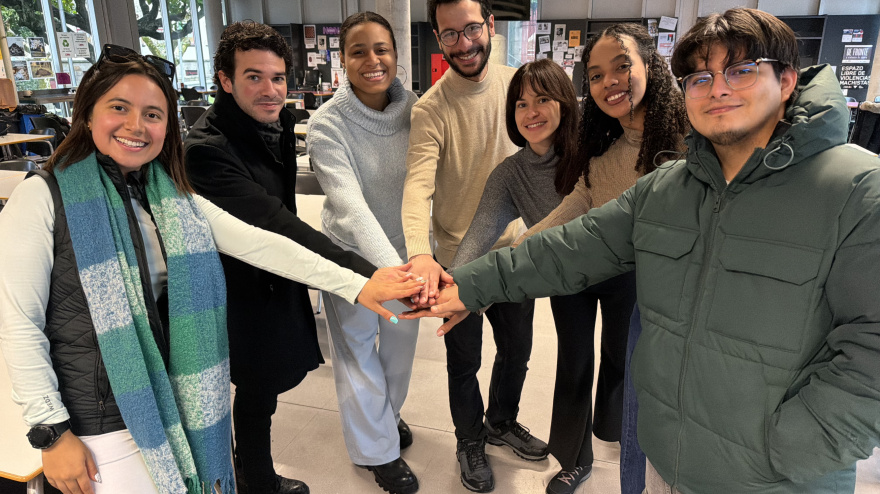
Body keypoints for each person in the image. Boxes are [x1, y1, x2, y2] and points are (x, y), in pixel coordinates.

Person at [402, 8, 880, 493]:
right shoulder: (666, 186)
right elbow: (565, 243)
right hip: (667, 459)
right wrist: (463, 283)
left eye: (741, 70)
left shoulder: (857, 191)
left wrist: (801, 443)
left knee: (615, 363)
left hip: (776, 476)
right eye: (700, 76)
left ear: (787, 79)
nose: (718, 89)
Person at [0, 45, 423, 494]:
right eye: (119, 108)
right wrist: (50, 432)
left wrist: (360, 285)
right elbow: (18, 324)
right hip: (99, 417)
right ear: (87, 114)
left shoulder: (172, 199)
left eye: (153, 114)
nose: (135, 126)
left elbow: (264, 245)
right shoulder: (42, 197)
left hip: (176, 396)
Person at [183, 21, 388, 494]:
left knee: (261, 393)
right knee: (249, 390)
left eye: (277, 78)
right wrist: (364, 275)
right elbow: (277, 222)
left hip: (273, 277)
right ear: (224, 79)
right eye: (254, 77)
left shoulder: (270, 125)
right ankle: (251, 480)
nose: (270, 90)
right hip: (235, 292)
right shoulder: (208, 150)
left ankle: (251, 475)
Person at [508, 24, 687, 494]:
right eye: (595, 74)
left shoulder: (684, 140)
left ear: (651, 65)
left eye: (622, 66)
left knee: (624, 363)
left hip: (636, 277)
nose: (609, 82)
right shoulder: (597, 136)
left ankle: (614, 434)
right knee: (574, 362)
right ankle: (573, 458)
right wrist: (521, 249)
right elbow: (578, 199)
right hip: (579, 269)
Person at [401, 0, 547, 491]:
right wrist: (420, 251)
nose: (464, 44)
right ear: (437, 37)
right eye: (449, 34)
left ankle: (501, 422)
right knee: (463, 362)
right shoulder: (431, 109)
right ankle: (469, 439)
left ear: (490, 25)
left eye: (471, 29)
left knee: (518, 351)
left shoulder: (518, 88)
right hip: (456, 262)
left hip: (514, 254)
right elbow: (417, 186)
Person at [306, 12, 420, 494]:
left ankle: (384, 419)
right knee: (357, 355)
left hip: (407, 256)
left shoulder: (417, 109)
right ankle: (377, 451)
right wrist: (393, 272)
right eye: (358, 51)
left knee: (399, 350)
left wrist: (417, 263)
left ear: (396, 54)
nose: (372, 60)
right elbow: (350, 207)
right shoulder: (326, 124)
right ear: (343, 60)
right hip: (351, 258)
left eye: (382, 49)